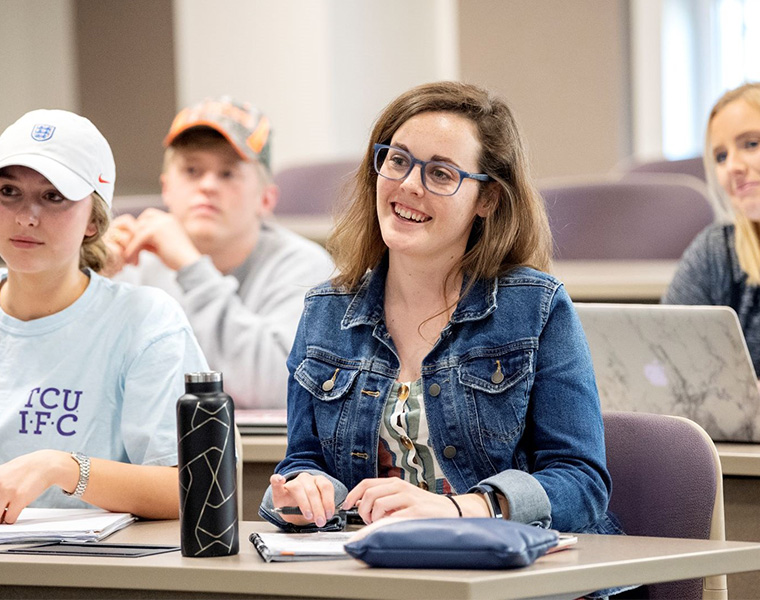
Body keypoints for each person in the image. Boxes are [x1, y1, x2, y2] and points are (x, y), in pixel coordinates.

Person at [259, 81, 619, 538]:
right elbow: (303, 461)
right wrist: (302, 493)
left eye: (442, 174)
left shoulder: (536, 306)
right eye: (398, 160)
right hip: (377, 570)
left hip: (514, 572)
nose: (409, 185)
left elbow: (581, 483)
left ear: (486, 200)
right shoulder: (325, 312)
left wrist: (459, 508)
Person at [0, 109, 208, 523]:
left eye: (53, 196)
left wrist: (61, 468)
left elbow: (194, 487)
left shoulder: (144, 320)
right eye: (8, 191)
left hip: (92, 572)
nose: (25, 216)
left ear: (94, 222)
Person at [105, 98, 334, 409]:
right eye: (191, 170)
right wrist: (87, 279)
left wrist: (192, 269)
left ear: (266, 199)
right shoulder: (132, 262)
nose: (208, 185)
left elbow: (275, 391)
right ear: (166, 188)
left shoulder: (304, 269)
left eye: (227, 173)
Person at [663, 82, 760, 376]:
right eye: (720, 156)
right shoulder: (716, 252)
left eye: (751, 144)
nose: (732, 167)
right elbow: (665, 360)